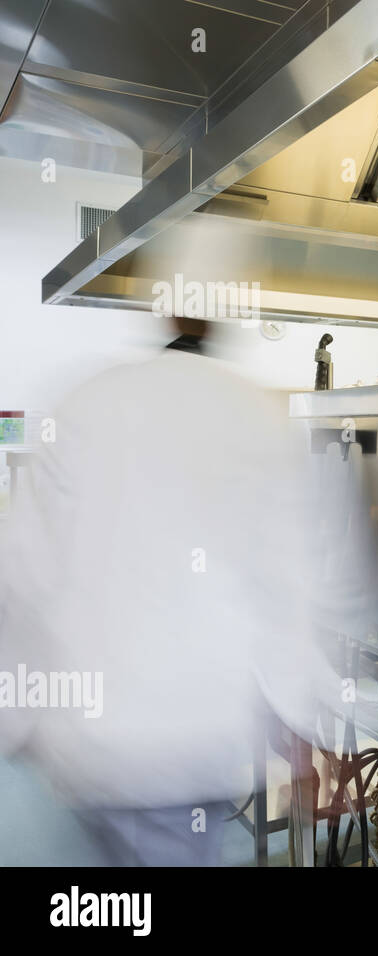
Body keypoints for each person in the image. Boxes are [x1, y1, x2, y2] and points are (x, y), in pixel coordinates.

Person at [0, 318, 341, 864]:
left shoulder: (88, 397)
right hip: (189, 749)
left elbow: (22, 572)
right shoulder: (251, 411)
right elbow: (284, 588)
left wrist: (16, 718)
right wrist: (300, 736)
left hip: (84, 747)